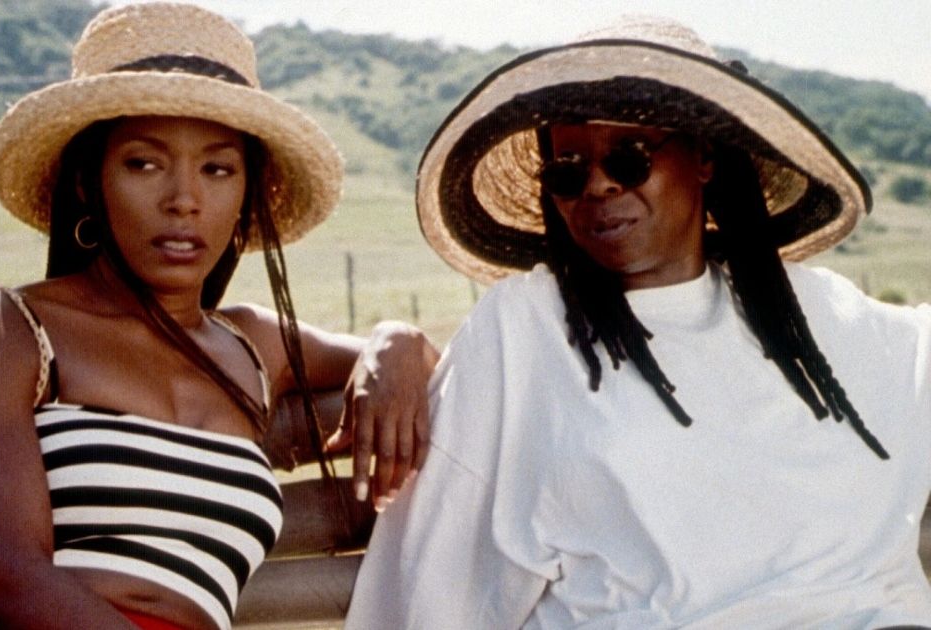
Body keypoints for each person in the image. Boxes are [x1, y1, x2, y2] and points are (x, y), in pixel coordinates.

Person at [346, 15, 931, 629]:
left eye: (628, 158)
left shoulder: (822, 318)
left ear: (703, 155)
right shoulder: (526, 328)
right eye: (568, 170)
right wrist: (397, 341)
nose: (596, 186)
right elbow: (432, 578)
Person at [0, 4, 436, 629]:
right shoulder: (4, 330)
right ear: (89, 180)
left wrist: (398, 340)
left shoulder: (253, 346)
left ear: (246, 194)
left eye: (217, 169)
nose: (184, 201)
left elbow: (405, 359)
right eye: (143, 163)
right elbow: (12, 582)